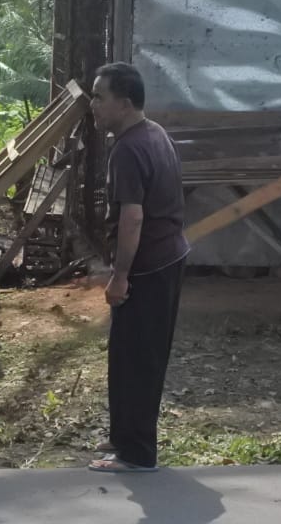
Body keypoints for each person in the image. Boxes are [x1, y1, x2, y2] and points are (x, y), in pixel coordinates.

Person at [87, 61, 190, 474]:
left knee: (137, 359)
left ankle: (137, 453)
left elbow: (133, 218)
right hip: (169, 257)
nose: (92, 105)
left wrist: (120, 275)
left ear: (124, 103)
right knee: (131, 354)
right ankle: (124, 433)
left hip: (148, 267)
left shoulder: (128, 149)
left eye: (99, 97)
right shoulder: (154, 133)